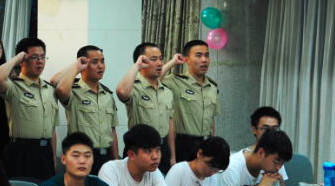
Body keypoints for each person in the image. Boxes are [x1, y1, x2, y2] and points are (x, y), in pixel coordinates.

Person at [0, 37, 59, 182]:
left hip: (45, 152)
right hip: (21, 153)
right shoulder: (14, 86)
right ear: (23, 60)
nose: (40, 61)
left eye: (42, 57)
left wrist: (53, 160)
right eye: (34, 57)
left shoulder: (50, 90)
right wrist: (17, 58)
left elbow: (52, 130)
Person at [52, 46, 119, 172]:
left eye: (102, 61)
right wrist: (76, 67)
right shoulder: (74, 92)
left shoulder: (108, 95)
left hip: (106, 158)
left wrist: (116, 162)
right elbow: (59, 87)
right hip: (82, 158)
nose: (100, 66)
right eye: (95, 62)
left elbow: (112, 130)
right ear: (83, 65)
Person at [115, 43, 176, 173]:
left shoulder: (167, 91)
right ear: (142, 61)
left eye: (161, 59)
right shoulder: (134, 87)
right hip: (139, 149)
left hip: (162, 149)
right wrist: (136, 66)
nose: (159, 63)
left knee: (161, 184)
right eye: (154, 59)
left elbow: (169, 123)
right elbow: (121, 92)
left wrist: (172, 156)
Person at [161, 40, 221, 163]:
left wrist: (212, 145)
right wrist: (173, 62)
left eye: (207, 55)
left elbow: (211, 120)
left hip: (205, 145)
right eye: (198, 55)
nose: (204, 60)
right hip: (183, 146)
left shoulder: (212, 86)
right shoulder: (176, 81)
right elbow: (152, 80)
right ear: (186, 60)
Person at [96, 124, 177, 186]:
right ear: (132, 155)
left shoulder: (152, 170)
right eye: (148, 151)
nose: (155, 156)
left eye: (157, 150)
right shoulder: (111, 169)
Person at [219, 129, 292, 186]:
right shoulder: (232, 167)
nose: (278, 168)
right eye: (275, 162)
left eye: (283, 163)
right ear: (261, 152)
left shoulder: (274, 166)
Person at [165, 136, 230, 186]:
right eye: (210, 167)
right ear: (199, 154)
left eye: (217, 170)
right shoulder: (178, 171)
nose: (213, 172)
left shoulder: (212, 178)